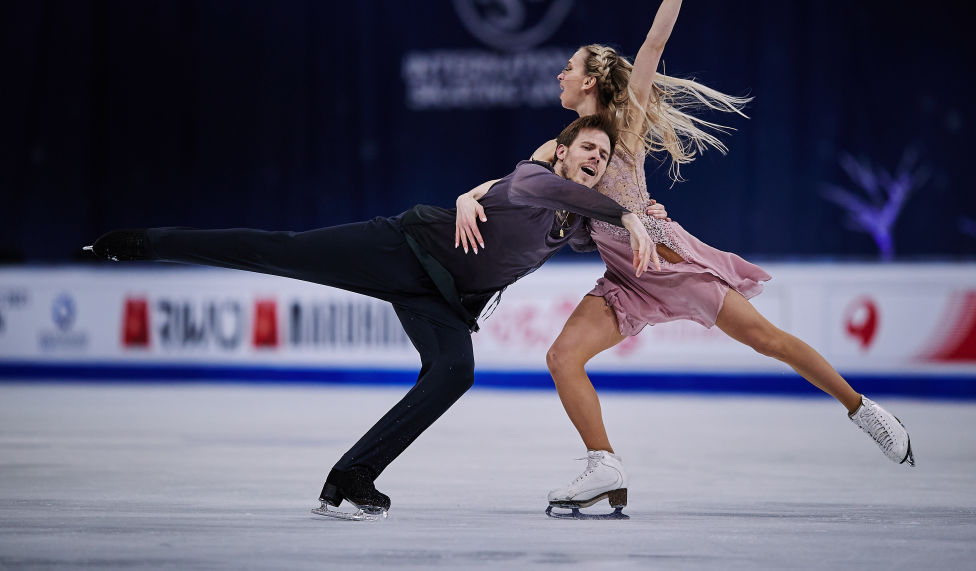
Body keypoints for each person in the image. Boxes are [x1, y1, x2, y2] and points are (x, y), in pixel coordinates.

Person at [455, 0, 914, 519]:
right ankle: (604, 466)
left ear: (592, 78)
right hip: (622, 277)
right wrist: (466, 198)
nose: (560, 74)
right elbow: (514, 183)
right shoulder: (564, 144)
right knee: (561, 357)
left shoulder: (622, 126)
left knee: (768, 340)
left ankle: (864, 410)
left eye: (568, 67)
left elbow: (652, 48)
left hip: (668, 263)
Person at [85, 115, 661, 519]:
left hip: (439, 298)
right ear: (559, 153)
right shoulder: (533, 179)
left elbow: (600, 229)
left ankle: (353, 476)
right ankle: (143, 242)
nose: (596, 158)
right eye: (587, 148)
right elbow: (590, 204)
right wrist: (627, 212)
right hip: (399, 248)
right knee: (279, 251)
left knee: (454, 372)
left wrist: (648, 221)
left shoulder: (573, 222)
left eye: (603, 156)